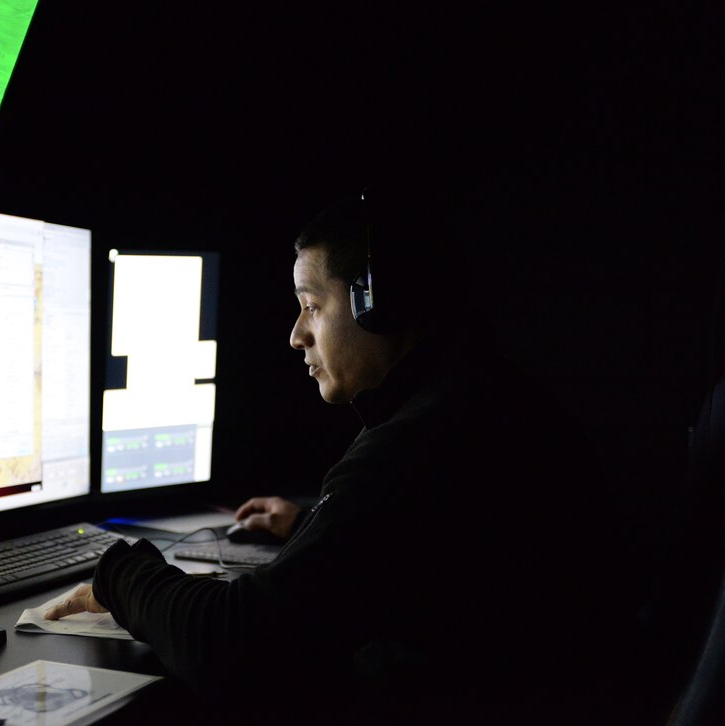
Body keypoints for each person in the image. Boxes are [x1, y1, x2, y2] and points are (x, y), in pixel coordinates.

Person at [46, 185, 631, 724]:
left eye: (311, 305)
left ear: (378, 302)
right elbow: (419, 557)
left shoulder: (414, 447)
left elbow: (234, 649)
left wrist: (122, 575)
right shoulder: (486, 401)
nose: (296, 335)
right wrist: (310, 527)